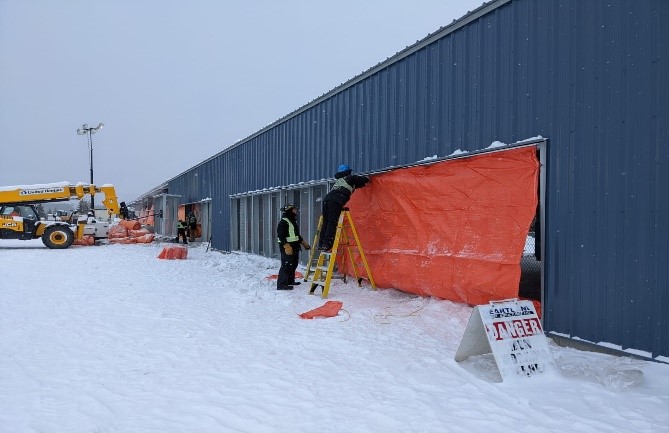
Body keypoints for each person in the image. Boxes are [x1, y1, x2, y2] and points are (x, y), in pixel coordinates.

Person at [318, 164, 370, 252]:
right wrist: (368, 178)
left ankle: (321, 244)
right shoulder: (350, 178)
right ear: (348, 172)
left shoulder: (340, 180)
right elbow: (363, 180)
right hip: (336, 201)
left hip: (327, 199)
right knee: (332, 222)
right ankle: (327, 244)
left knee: (326, 222)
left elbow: (356, 185)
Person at [276, 204, 310, 290]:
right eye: (294, 210)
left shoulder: (293, 221)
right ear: (289, 211)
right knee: (286, 265)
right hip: (287, 246)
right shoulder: (284, 222)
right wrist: (286, 246)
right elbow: (280, 235)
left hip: (295, 246)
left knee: (293, 264)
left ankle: (290, 280)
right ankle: (281, 284)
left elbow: (296, 235)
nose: (296, 211)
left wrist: (302, 242)